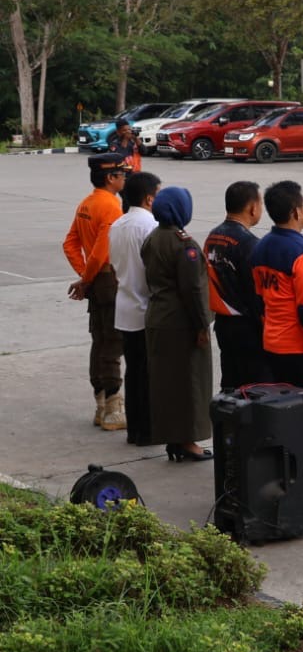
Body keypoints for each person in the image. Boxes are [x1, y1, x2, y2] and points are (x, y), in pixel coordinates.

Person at [251, 180, 303, 499]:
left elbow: (260, 299)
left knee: (281, 417)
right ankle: (301, 480)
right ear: (296, 212)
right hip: (300, 350)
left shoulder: (261, 247)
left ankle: (281, 473)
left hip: (272, 345)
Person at [142, 187, 214, 462]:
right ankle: (188, 441)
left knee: (166, 385)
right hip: (181, 324)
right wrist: (202, 326)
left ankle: (172, 438)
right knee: (190, 383)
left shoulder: (153, 238)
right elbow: (193, 290)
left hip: (158, 318)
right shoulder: (185, 245)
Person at [63, 153, 129, 431]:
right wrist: (86, 279)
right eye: (122, 174)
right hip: (108, 280)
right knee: (112, 342)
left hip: (95, 280)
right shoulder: (111, 206)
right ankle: (113, 409)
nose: (125, 179)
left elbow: (69, 243)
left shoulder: (86, 203)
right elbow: (102, 253)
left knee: (99, 340)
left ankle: (101, 405)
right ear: (110, 177)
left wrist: (84, 276)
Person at [109, 170, 162, 447]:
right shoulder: (151, 226)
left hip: (126, 306)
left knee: (134, 372)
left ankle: (136, 430)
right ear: (150, 198)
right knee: (150, 375)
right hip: (147, 308)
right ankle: (149, 430)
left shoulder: (117, 225)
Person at [205, 180, 267, 390]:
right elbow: (256, 293)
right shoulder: (250, 244)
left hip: (223, 324)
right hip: (247, 328)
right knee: (253, 389)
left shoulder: (213, 236)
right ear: (252, 208)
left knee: (230, 384)